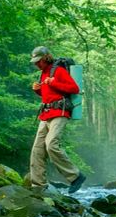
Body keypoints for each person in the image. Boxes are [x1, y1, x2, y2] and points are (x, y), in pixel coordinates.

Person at [29, 46, 86, 194]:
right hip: (45, 114)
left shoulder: (58, 71)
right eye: (35, 62)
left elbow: (74, 88)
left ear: (46, 58)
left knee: (51, 144)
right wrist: (37, 90)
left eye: (39, 61)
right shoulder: (42, 74)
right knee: (37, 150)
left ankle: (75, 176)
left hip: (59, 113)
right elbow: (47, 95)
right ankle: (38, 186)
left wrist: (53, 82)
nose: (37, 64)